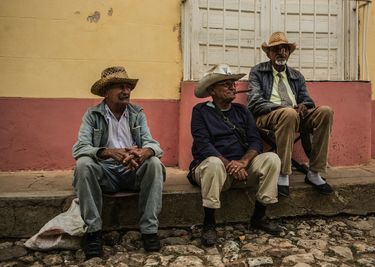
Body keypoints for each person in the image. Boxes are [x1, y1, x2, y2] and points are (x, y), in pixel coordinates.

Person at [72, 66, 165, 258]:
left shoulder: (136, 113)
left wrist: (142, 153)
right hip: (105, 174)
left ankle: (149, 231)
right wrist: (108, 152)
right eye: (120, 87)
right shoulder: (92, 115)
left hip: (132, 171)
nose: (126, 91)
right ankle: (94, 232)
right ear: (106, 92)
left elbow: (152, 143)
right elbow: (80, 148)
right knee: (83, 165)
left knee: (154, 163)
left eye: (128, 87)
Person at [188, 64, 282, 247]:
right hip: (213, 170)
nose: (233, 87)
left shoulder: (242, 110)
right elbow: (203, 145)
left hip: (241, 169)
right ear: (212, 90)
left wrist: (244, 162)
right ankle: (209, 223)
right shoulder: (200, 111)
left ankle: (259, 216)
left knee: (272, 159)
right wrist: (229, 164)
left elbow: (255, 141)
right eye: (226, 84)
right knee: (214, 163)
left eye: (233, 83)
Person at [247, 31, 334, 197]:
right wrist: (279, 108)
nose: (281, 52)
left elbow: (308, 100)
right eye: (276, 49)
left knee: (325, 112)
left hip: (295, 116)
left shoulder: (296, 75)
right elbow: (255, 102)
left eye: (285, 49)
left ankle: (314, 172)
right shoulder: (258, 71)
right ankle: (283, 174)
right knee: (288, 113)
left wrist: (304, 105)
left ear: (289, 53)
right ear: (269, 53)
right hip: (267, 116)